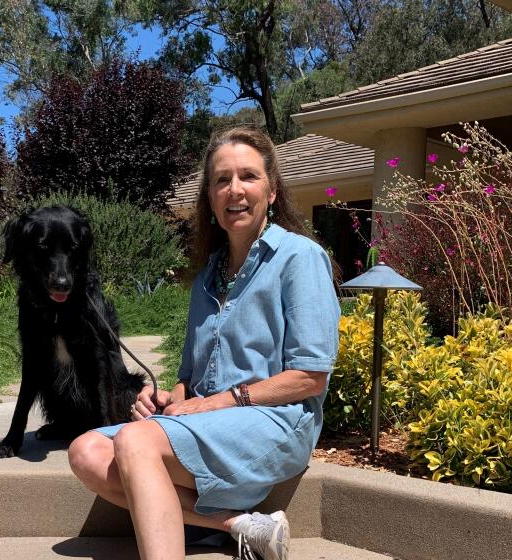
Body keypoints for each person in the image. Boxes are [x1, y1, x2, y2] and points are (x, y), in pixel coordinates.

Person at [68, 126, 341, 560]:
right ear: (210, 198)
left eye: (248, 177)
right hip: (212, 423)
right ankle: (238, 523)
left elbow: (310, 377)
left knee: (136, 443)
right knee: (86, 450)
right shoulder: (208, 277)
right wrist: (164, 400)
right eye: (221, 180)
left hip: (276, 422)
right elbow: (190, 380)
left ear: (271, 191)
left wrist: (214, 403)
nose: (235, 190)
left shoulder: (299, 257)